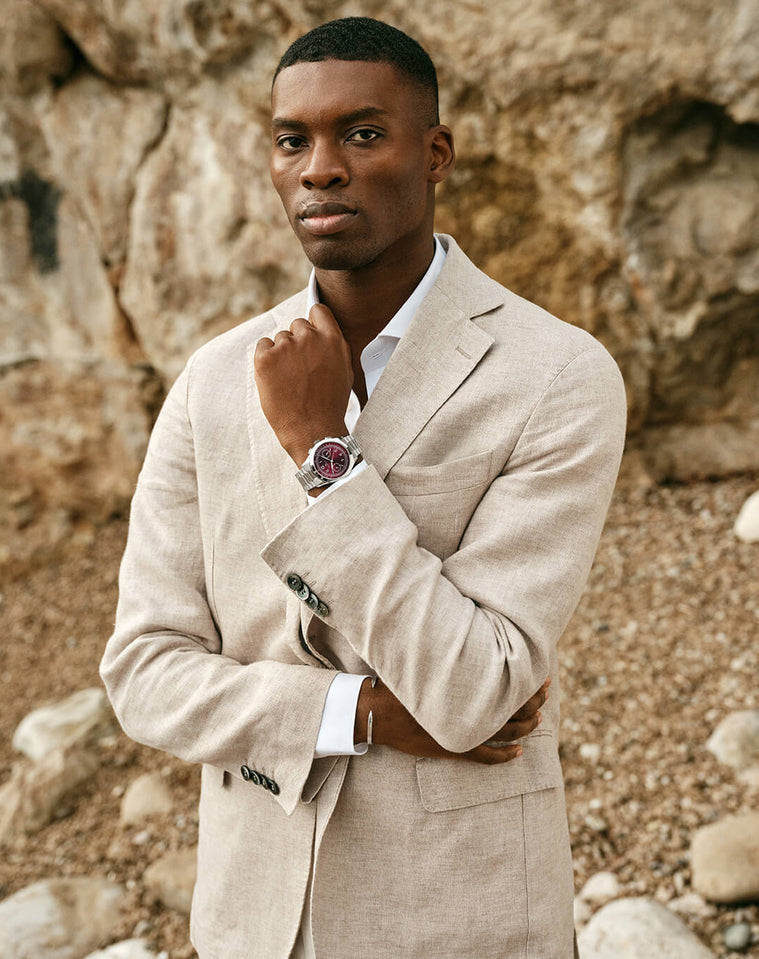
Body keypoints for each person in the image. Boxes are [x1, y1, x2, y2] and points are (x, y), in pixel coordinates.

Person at [101, 17, 626, 959]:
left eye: (362, 134)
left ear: (435, 155)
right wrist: (357, 714)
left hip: (460, 913)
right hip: (255, 920)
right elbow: (143, 673)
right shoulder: (212, 381)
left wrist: (318, 447)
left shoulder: (557, 375)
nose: (320, 168)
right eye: (291, 139)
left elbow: (474, 689)